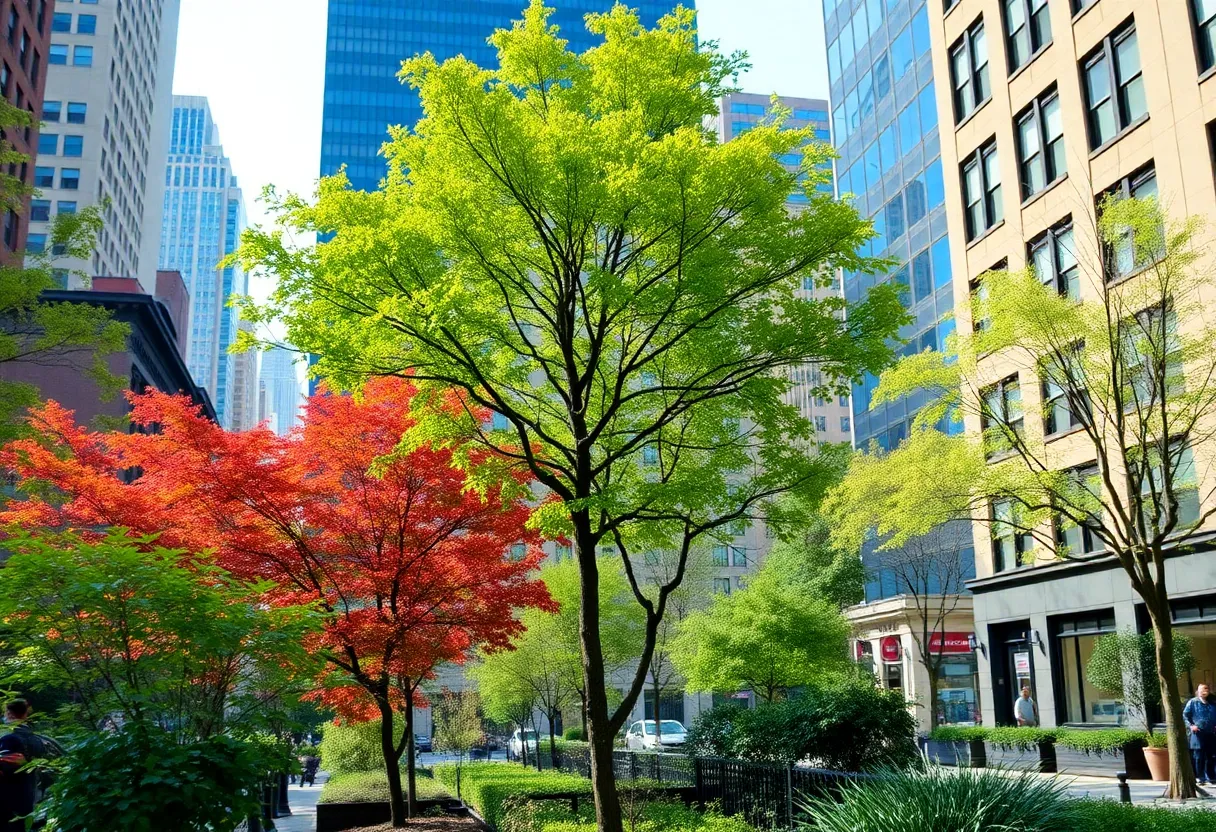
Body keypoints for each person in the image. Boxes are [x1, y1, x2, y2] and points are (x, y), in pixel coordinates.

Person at [0, 700, 51, 832]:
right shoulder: (37, 739)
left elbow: (5, 768)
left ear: (9, 714)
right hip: (30, 793)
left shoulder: (9, 740)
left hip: (8, 797)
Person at [1183, 683, 1216, 785]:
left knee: (1211, 756)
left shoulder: (1213, 703)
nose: (1204, 691)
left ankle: (1211, 777)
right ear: (1198, 691)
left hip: (1211, 733)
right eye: (1202, 689)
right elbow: (1185, 715)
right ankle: (1200, 778)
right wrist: (1191, 725)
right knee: (1199, 756)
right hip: (1198, 733)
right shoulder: (1193, 702)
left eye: (1206, 689)